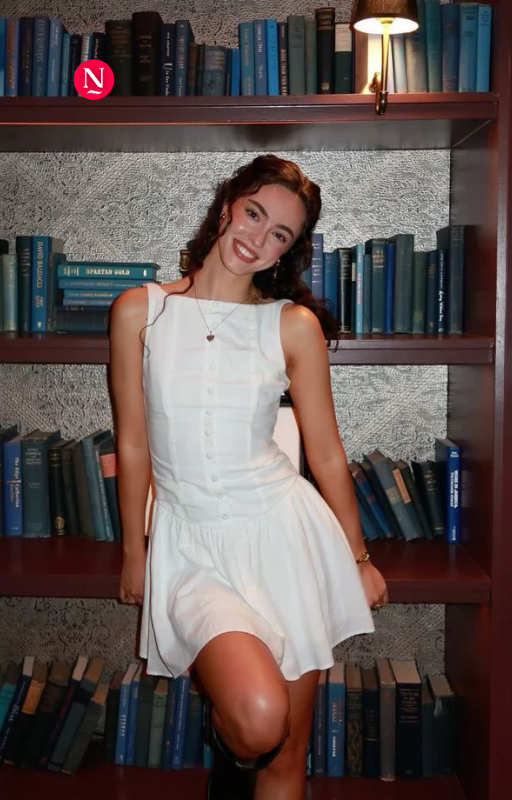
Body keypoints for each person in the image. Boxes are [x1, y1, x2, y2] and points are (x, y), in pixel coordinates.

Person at [109, 154, 388, 800]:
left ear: (289, 250)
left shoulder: (290, 325)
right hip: (191, 547)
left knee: (286, 759)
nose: (258, 238)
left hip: (284, 539)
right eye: (255, 214)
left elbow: (325, 453)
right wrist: (133, 553)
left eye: (279, 234)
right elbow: (133, 442)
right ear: (228, 204)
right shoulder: (140, 311)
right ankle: (229, 744)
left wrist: (359, 558)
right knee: (259, 720)